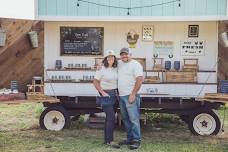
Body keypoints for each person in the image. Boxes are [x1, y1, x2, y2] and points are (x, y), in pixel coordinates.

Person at [93, 50, 120, 149]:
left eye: (112, 57)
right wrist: (103, 92)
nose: (110, 59)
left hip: (115, 94)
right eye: (108, 57)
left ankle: (107, 140)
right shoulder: (101, 69)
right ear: (106, 59)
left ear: (114, 59)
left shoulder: (116, 68)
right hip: (105, 94)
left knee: (110, 118)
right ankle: (110, 141)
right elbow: (95, 82)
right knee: (111, 117)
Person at [117, 47, 143, 150]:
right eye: (122, 54)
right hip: (122, 96)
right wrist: (99, 66)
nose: (124, 56)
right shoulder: (119, 63)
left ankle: (136, 140)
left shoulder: (136, 64)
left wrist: (133, 94)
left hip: (131, 95)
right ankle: (129, 138)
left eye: (126, 54)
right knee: (126, 119)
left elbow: (139, 80)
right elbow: (108, 64)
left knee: (133, 119)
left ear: (130, 54)